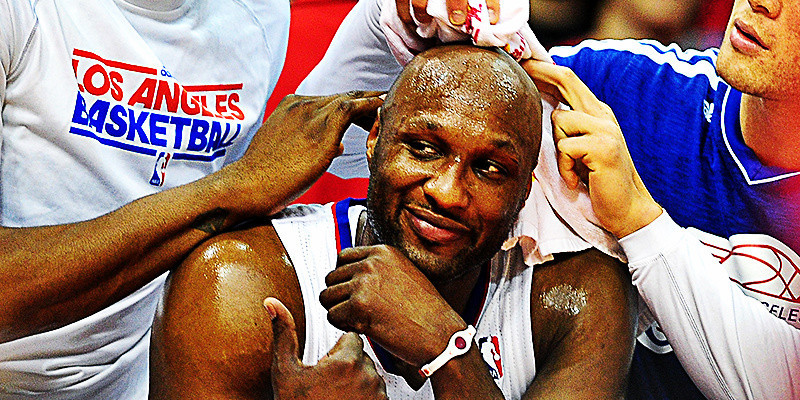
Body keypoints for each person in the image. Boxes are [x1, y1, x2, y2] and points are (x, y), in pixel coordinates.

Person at [296, 0, 800, 398]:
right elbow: (352, 152)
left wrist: (638, 221)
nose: (762, 2)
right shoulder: (629, 89)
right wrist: (392, 20)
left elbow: (781, 386)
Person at [149, 44, 638, 399]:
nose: (447, 192)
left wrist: (446, 349)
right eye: (423, 148)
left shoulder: (578, 298)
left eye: (490, 168)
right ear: (375, 139)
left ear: (527, 188)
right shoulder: (237, 282)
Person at [0, 0, 382, 397]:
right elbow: (245, 188)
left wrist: (380, 30)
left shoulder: (261, 14)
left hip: (148, 375)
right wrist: (231, 189)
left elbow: (330, 158)